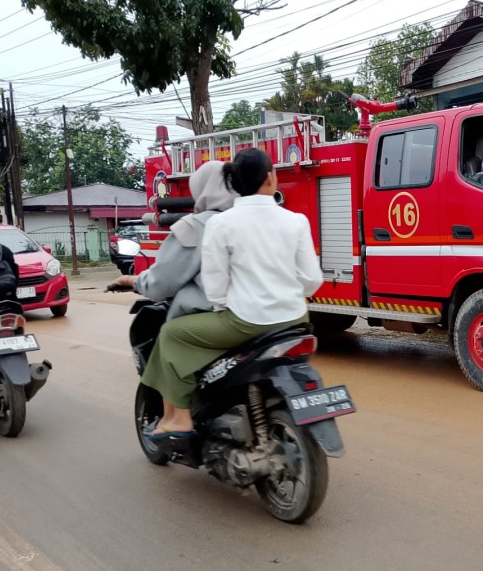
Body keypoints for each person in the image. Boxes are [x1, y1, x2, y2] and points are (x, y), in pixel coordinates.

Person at [141, 148, 323, 440]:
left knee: (171, 334)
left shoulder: (220, 223)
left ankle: (181, 419)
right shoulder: (296, 220)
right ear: (270, 178)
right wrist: (288, 295)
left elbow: (215, 283)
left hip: (245, 322)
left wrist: (225, 306)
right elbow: (312, 279)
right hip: (295, 319)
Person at [110, 161, 236, 318]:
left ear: (199, 188)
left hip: (214, 315)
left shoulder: (194, 226)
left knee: (169, 337)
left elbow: (163, 282)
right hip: (260, 314)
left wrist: (131, 280)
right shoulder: (246, 220)